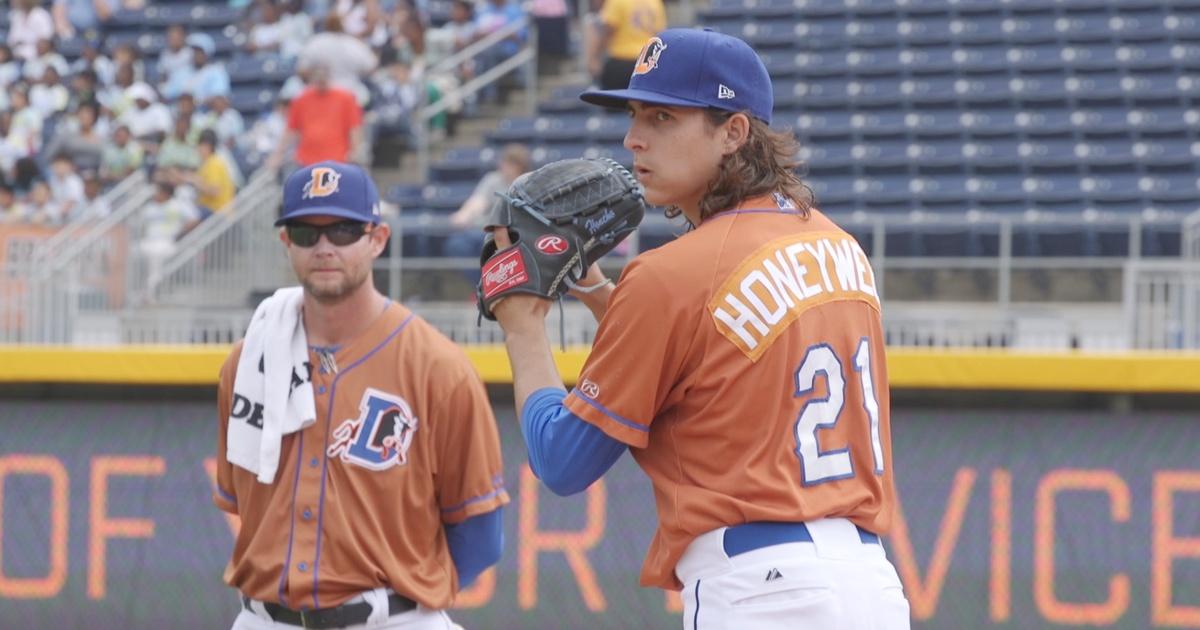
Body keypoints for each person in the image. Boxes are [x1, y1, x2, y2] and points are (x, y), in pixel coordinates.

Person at [487, 29, 911, 629]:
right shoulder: (840, 246)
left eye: (663, 116)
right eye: (634, 114)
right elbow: (716, 359)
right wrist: (597, 293)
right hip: (872, 587)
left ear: (734, 132)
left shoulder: (668, 276)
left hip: (759, 592)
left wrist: (522, 327)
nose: (634, 138)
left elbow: (562, 461)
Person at [213, 161, 508, 630]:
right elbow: (240, 502)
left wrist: (411, 597)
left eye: (345, 230)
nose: (325, 247)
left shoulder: (438, 367)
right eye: (307, 232)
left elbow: (481, 535)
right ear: (286, 242)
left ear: (378, 239)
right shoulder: (249, 362)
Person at [586, 0, 665, 91]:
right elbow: (659, 34)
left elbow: (607, 30)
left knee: (614, 102)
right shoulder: (655, 2)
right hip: (646, 63)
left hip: (621, 61)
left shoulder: (617, 2)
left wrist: (594, 58)